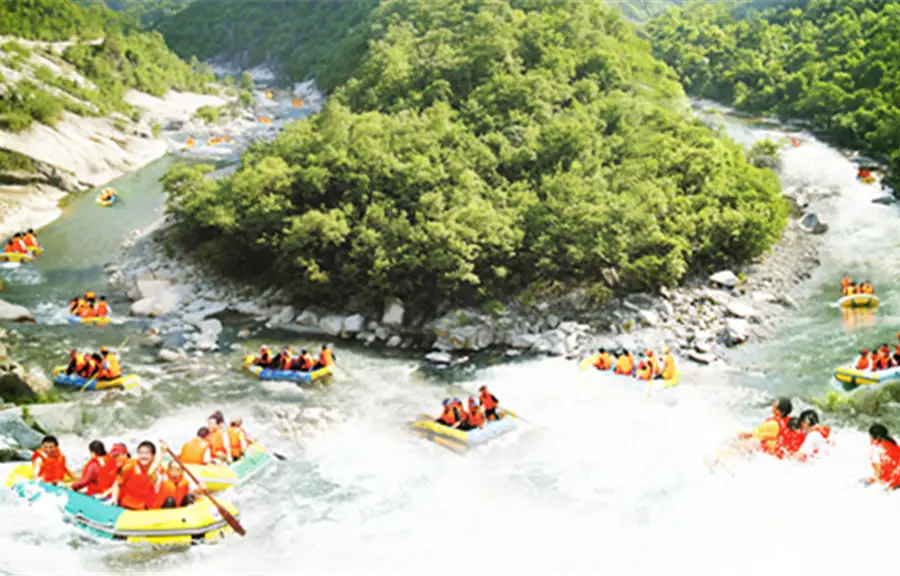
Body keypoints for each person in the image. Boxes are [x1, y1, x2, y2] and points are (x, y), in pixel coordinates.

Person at [111, 440, 163, 510]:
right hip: (129, 506)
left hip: (146, 507)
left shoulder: (158, 468)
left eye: (147, 453)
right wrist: (114, 498)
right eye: (141, 453)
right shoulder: (130, 467)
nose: (143, 456)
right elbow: (117, 483)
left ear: (153, 456)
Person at [865, 423, 900, 489]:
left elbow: (879, 472)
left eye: (871, 436)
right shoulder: (892, 444)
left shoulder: (878, 448)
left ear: (877, 437)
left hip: (892, 483)